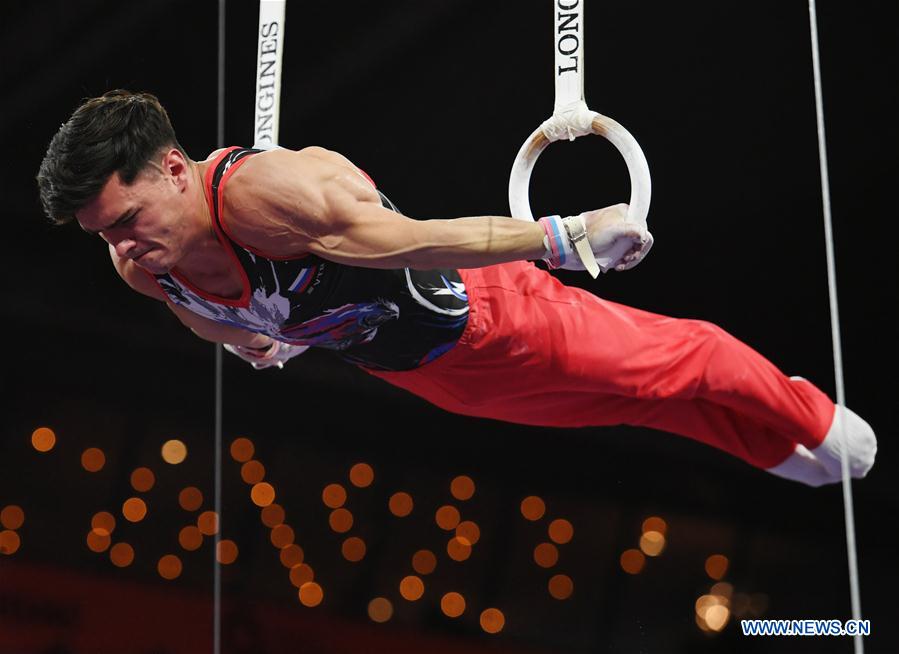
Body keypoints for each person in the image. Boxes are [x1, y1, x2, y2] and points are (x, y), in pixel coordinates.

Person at [37, 90, 876, 487]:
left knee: (678, 359)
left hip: (492, 315)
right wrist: (261, 338)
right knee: (631, 400)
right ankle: (778, 449)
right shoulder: (140, 263)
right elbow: (205, 317)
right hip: (430, 374)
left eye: (126, 217)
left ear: (176, 170)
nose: (122, 245)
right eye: (104, 233)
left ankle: (814, 422)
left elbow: (412, 240)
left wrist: (564, 235)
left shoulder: (265, 200)